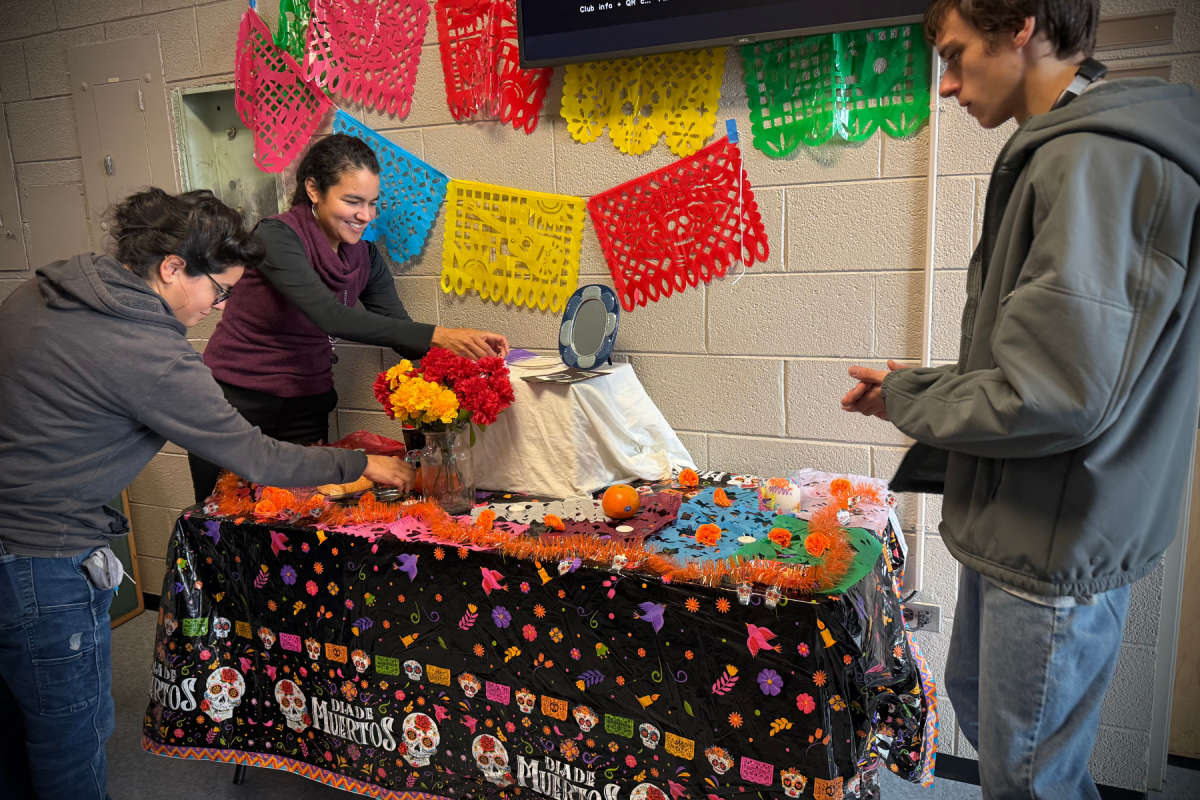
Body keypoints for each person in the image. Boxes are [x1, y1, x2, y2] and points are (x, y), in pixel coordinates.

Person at [840, 0, 1200, 796]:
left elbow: (1052, 395)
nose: (947, 86)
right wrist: (909, 389)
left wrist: (911, 404)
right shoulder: (1070, 152)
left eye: (958, 53)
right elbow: (1043, 360)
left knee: (1030, 776)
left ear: (1023, 26)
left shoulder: (1097, 162)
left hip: (1054, 533)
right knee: (996, 730)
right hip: (1029, 521)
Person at [0, 188, 414, 800]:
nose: (219, 308)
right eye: (218, 291)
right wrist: (365, 463)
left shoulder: (41, 291)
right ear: (172, 267)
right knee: (70, 734)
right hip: (40, 557)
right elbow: (255, 454)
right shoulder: (151, 353)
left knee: (15, 724)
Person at [188, 134, 509, 503]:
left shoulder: (366, 258)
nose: (366, 216)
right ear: (313, 189)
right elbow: (329, 316)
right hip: (234, 400)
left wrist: (473, 366)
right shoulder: (276, 236)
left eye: (372, 204)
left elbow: (403, 337)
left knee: (298, 519)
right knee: (217, 519)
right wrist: (441, 334)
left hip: (305, 403)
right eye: (352, 201)